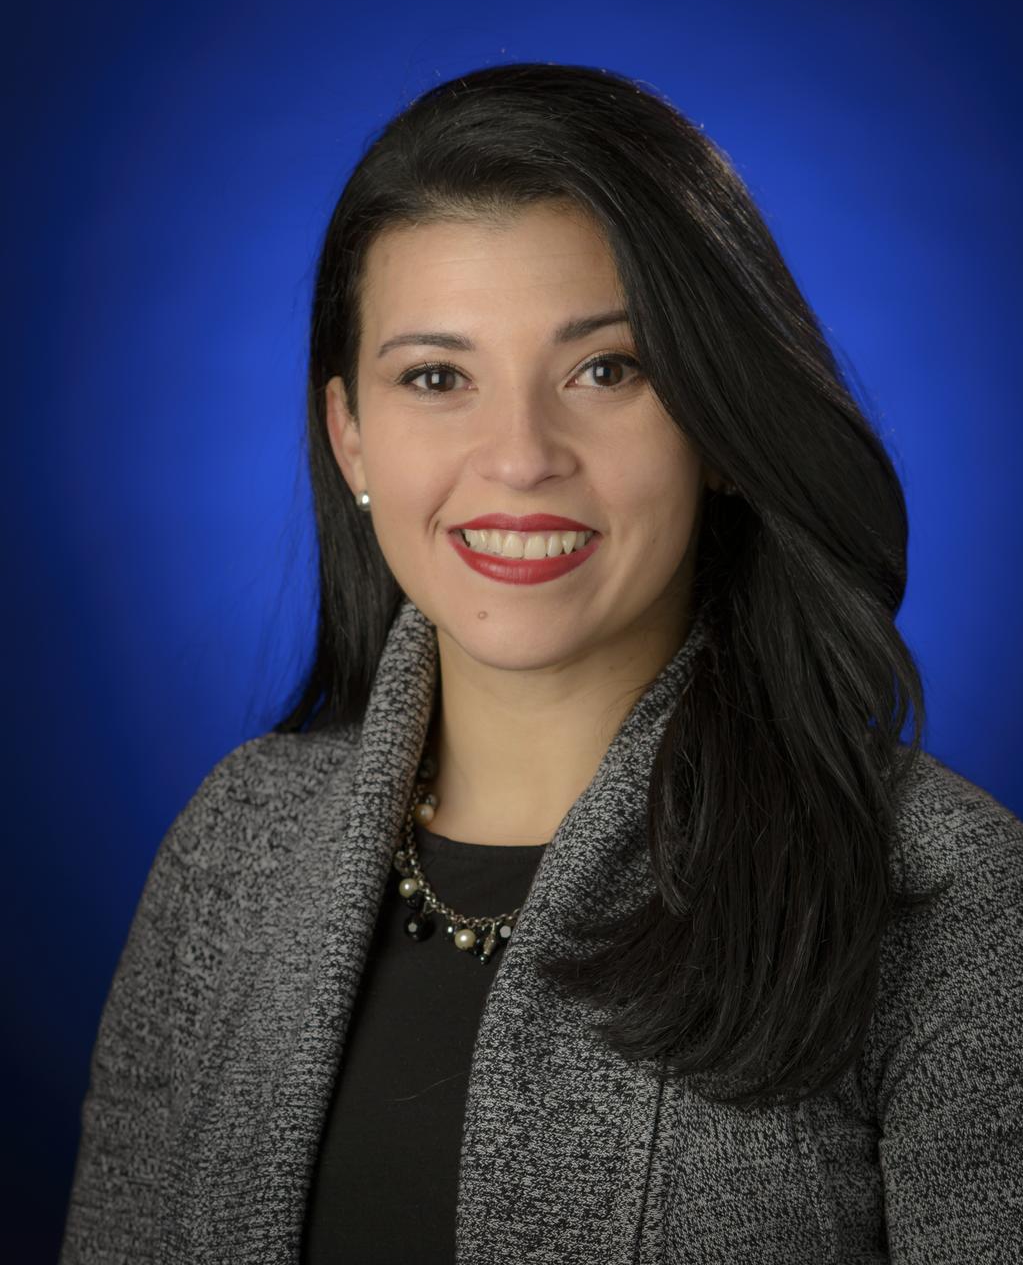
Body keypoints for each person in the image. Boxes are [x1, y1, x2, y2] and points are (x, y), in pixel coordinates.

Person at [59, 62, 1022, 1264]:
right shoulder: (229, 851)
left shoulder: (947, 898)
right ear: (349, 434)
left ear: (719, 425)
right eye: (436, 377)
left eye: (605, 370)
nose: (519, 457)